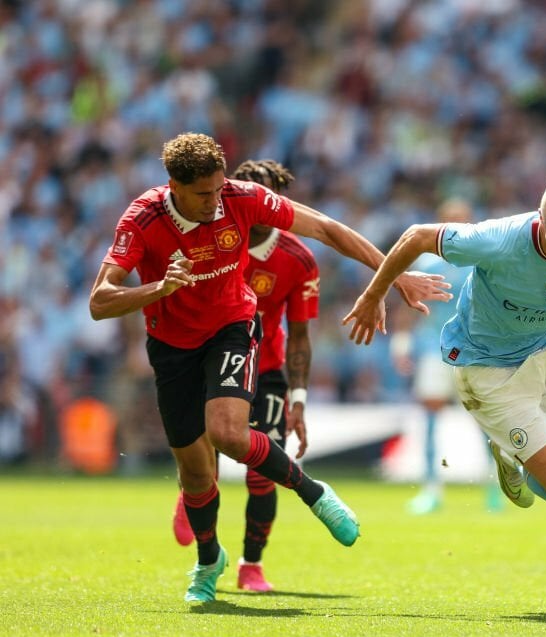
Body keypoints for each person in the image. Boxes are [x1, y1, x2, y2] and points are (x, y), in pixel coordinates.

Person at [89, 133, 449, 604]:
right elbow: (99, 302)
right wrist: (157, 288)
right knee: (196, 475)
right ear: (173, 186)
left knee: (229, 433)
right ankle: (208, 559)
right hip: (171, 345)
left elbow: (326, 228)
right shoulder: (143, 218)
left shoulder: (242, 198)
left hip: (232, 326)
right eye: (203, 194)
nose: (216, 202)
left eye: (219, 189)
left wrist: (393, 276)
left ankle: (313, 493)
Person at [342, 168, 546, 610]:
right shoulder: (500, 238)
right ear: (539, 220)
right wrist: (374, 294)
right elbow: (416, 236)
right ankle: (509, 455)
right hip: (487, 369)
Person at [170, 159, 323, 592]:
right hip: (210, 357)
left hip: (268, 368)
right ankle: (195, 504)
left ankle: (250, 565)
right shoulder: (211, 235)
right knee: (206, 459)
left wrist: (298, 400)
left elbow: (299, 336)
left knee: (262, 473)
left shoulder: (298, 258)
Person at [389, 198, 503, 515]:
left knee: (485, 422)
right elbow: (406, 307)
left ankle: (496, 487)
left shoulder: (483, 262)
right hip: (433, 348)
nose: (455, 226)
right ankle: (431, 488)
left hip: (475, 351)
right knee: (430, 417)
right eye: (449, 220)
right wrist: (401, 345)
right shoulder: (426, 263)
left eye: (461, 220)